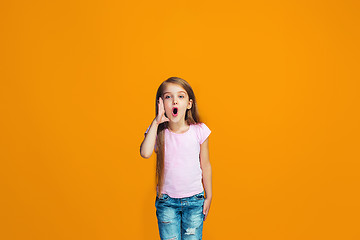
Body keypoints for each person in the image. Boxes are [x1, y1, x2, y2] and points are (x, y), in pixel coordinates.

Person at [140, 77, 212, 240]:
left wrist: (209, 196)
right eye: (168, 97)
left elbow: (205, 165)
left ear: (189, 104)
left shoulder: (199, 130)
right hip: (167, 203)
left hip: (194, 201)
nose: (174, 101)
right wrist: (156, 122)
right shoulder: (158, 132)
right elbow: (145, 153)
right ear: (161, 104)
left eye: (180, 96)